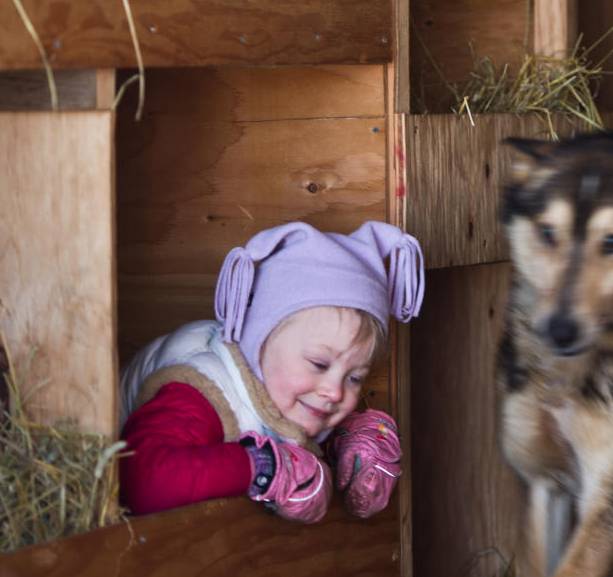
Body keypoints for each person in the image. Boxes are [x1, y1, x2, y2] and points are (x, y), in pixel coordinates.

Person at [118, 220, 425, 523]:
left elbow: (280, 425)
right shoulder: (203, 392)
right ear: (259, 340)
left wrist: (349, 442)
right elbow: (141, 484)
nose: (335, 391)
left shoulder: (288, 390)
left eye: (355, 377)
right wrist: (264, 468)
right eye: (319, 364)